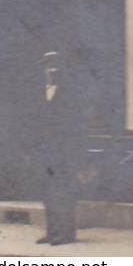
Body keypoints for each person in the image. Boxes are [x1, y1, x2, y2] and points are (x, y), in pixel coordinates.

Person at [32, 51, 85, 247]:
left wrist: (76, 154)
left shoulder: (70, 93)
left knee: (64, 192)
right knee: (47, 192)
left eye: (55, 66)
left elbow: (77, 125)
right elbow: (34, 122)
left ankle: (67, 233)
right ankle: (51, 230)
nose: (51, 70)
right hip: (45, 153)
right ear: (43, 69)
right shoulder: (39, 93)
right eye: (48, 66)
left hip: (64, 152)